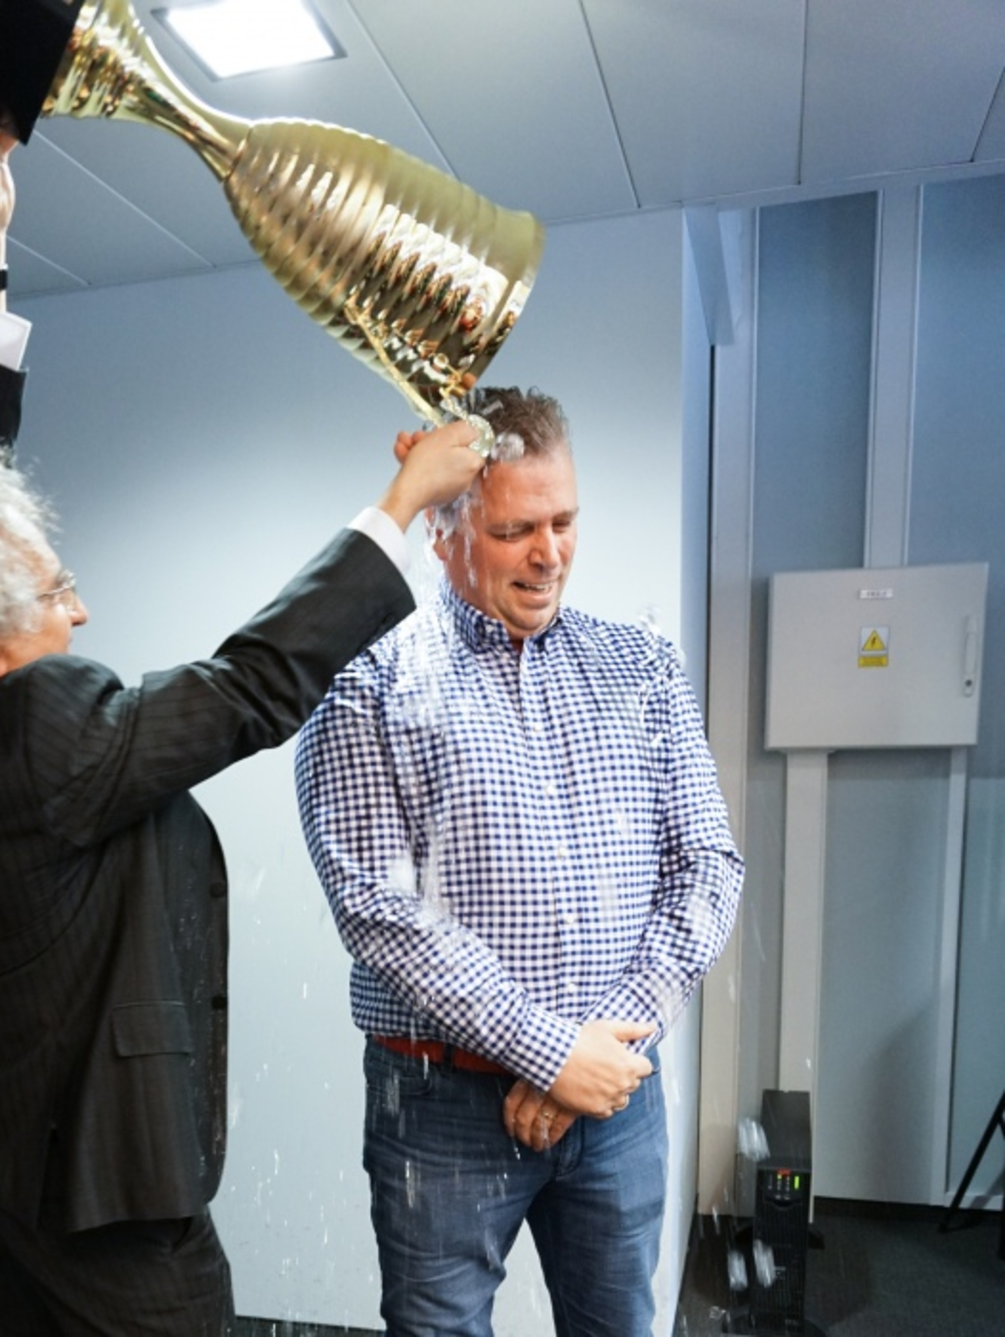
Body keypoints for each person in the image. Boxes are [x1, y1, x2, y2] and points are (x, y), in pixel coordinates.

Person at [0, 32, 486, 1337]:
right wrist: (401, 503)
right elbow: (250, 684)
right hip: (117, 1213)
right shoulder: (45, 736)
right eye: (55, 589)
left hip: (18, 1165)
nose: (81, 607)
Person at [294, 386, 744, 1337]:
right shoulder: (369, 682)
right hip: (441, 1108)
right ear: (447, 531)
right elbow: (379, 910)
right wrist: (548, 1051)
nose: (549, 553)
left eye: (564, 521)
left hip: (618, 1096)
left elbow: (707, 865)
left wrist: (601, 1047)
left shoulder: (642, 667)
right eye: (515, 530)